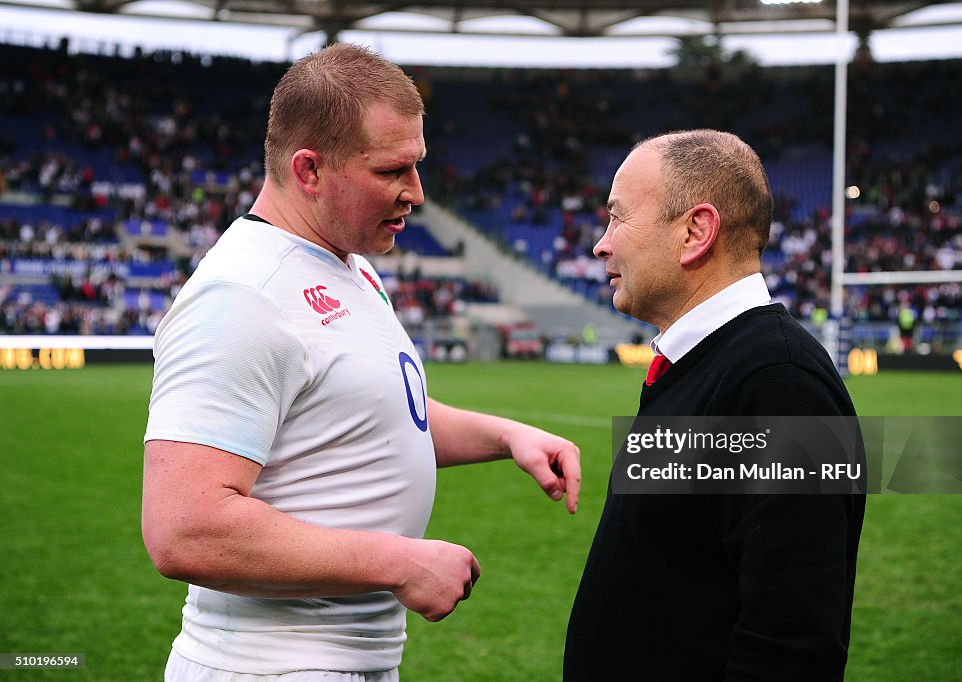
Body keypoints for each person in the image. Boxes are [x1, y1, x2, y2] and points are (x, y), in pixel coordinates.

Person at [141, 43, 581, 681]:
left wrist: (507, 436)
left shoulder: (348, 264)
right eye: (390, 171)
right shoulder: (244, 294)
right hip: (271, 667)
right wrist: (397, 561)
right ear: (309, 170)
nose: (417, 193)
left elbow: (373, 413)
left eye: (417, 165)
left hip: (346, 662)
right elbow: (184, 528)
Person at [563, 130, 864, 680]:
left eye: (618, 217)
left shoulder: (780, 383)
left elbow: (791, 644)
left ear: (696, 232)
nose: (601, 244)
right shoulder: (713, 362)